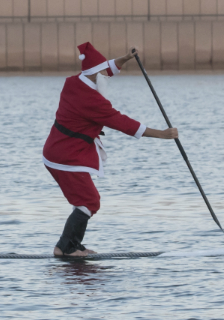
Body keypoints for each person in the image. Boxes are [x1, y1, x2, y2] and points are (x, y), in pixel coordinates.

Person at [42, 42, 176, 257]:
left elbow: (103, 71)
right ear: (96, 76)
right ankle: (65, 248)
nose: (108, 75)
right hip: (65, 156)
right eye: (104, 73)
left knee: (86, 200)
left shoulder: (75, 82)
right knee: (89, 201)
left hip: (59, 151)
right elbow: (122, 123)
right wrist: (162, 134)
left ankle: (70, 244)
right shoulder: (91, 101)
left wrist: (124, 59)